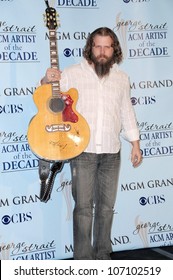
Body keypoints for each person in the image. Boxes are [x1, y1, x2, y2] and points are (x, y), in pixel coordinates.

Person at [41, 27, 142, 260]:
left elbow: (126, 112)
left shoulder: (121, 78)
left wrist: (135, 143)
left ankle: (103, 257)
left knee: (106, 209)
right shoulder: (73, 72)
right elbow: (48, 96)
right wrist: (47, 78)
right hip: (82, 151)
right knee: (83, 209)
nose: (102, 51)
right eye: (98, 46)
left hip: (111, 152)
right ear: (90, 47)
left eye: (107, 46)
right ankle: (84, 263)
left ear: (114, 49)